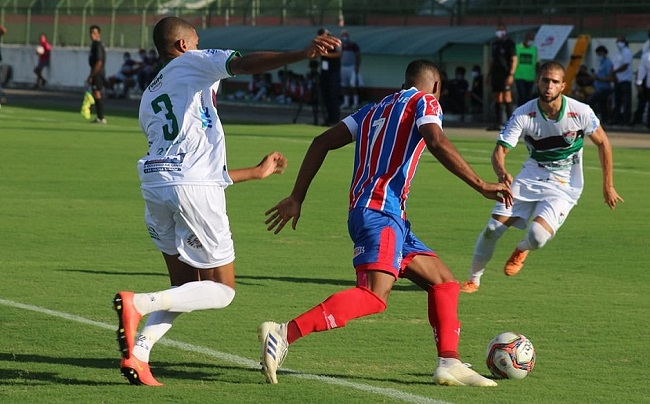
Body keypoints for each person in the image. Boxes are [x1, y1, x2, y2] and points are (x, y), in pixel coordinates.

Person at [111, 16, 340, 387]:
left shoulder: (151, 93)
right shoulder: (192, 61)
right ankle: (137, 304)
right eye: (198, 41)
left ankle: (139, 355)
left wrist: (255, 171)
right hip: (191, 190)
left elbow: (186, 165)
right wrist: (301, 53)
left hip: (155, 187)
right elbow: (245, 63)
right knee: (222, 290)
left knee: (184, 289)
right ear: (183, 45)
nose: (202, 47)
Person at [259, 59, 513, 387]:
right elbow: (435, 140)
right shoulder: (425, 101)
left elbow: (321, 141)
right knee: (374, 296)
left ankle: (449, 362)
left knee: (444, 283)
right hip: (380, 215)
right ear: (436, 86)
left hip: (384, 216)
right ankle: (282, 333)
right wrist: (481, 185)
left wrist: (297, 196)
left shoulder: (372, 110)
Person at [460, 61, 623, 294]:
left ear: (563, 86)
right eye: (545, 80)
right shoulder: (523, 114)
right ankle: (473, 280)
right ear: (538, 82)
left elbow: (603, 143)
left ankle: (522, 248)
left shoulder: (581, 112)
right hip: (530, 177)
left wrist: (608, 185)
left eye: (555, 82)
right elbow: (500, 150)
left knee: (537, 237)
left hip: (565, 185)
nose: (549, 86)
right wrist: (501, 171)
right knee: (492, 229)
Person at [487, 23, 517, 131]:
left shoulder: (509, 43)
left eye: (501, 30)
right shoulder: (495, 44)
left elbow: (514, 59)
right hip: (496, 74)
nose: (499, 32)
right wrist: (489, 74)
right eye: (497, 30)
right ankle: (498, 122)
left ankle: (510, 123)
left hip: (505, 73)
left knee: (507, 97)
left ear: (505, 31)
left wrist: (511, 74)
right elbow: (493, 61)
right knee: (497, 97)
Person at [317, 28, 342, 126]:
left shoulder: (334, 41)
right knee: (326, 96)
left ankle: (335, 119)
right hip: (325, 72)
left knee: (333, 96)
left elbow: (338, 54)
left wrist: (324, 54)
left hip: (333, 72)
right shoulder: (321, 43)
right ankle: (328, 119)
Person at [85, 25, 107, 123]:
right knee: (96, 93)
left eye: (94, 33)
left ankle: (101, 117)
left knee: (97, 93)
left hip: (97, 72)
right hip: (96, 72)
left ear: (98, 33)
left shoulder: (98, 45)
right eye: (91, 33)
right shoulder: (96, 44)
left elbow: (99, 62)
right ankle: (99, 117)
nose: (92, 35)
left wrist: (92, 75)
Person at [587, 45, 614, 124]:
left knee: (591, 101)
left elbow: (609, 77)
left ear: (602, 53)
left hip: (604, 88)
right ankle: (605, 120)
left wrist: (597, 78)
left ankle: (593, 119)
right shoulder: (601, 63)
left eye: (598, 54)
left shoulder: (608, 63)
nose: (598, 56)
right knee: (602, 105)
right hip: (598, 88)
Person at [611, 36, 633, 126]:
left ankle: (626, 120)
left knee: (626, 101)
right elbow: (614, 65)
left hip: (625, 80)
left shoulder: (627, 52)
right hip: (617, 80)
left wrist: (615, 72)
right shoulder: (617, 53)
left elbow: (625, 65)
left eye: (619, 41)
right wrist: (613, 74)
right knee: (617, 101)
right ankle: (617, 118)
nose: (618, 43)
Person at [339, 29, 362, 110]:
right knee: (345, 86)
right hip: (343, 67)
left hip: (351, 67)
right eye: (343, 35)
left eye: (345, 35)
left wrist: (357, 66)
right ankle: (346, 102)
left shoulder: (353, 45)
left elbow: (358, 56)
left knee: (353, 86)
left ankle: (355, 103)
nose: (344, 37)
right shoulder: (340, 46)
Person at [514, 31, 538, 106]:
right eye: (530, 39)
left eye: (532, 40)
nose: (531, 41)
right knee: (522, 95)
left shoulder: (534, 49)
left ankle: (527, 113)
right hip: (519, 75)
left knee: (528, 97)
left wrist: (538, 76)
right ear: (526, 39)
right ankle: (519, 112)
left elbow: (537, 63)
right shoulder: (517, 47)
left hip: (530, 76)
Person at [634, 41, 650, 130]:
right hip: (647, 84)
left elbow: (642, 70)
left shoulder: (646, 54)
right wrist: (639, 82)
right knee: (643, 103)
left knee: (643, 103)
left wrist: (639, 82)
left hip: (647, 83)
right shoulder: (647, 54)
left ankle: (643, 121)